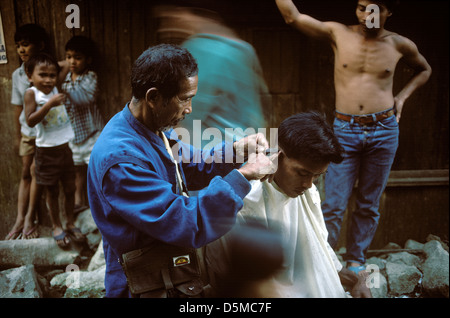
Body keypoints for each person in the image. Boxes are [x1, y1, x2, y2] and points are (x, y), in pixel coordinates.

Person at [87, 44, 276, 298]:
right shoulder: (121, 162)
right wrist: (242, 177)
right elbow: (185, 222)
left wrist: (236, 151)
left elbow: (189, 164)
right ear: (153, 98)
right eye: (184, 98)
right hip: (143, 285)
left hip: (170, 274)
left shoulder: (154, 126)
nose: (189, 109)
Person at [275, 0, 432, 273]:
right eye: (361, 7)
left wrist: (402, 97)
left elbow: (425, 69)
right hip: (345, 129)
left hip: (383, 129)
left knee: (368, 203)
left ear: (389, 11)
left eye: (375, 9)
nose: (366, 15)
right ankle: (323, 260)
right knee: (334, 203)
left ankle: (356, 262)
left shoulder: (399, 44)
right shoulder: (339, 33)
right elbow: (292, 17)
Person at [206, 112, 372, 298]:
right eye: (302, 173)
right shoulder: (243, 203)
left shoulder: (308, 194)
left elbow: (320, 257)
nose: (309, 184)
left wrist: (359, 281)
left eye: (317, 176)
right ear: (277, 156)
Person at [154, 4, 269, 149]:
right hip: (247, 147)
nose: (163, 28)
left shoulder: (201, 49)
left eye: (168, 18)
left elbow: (189, 110)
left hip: (211, 153)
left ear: (190, 13)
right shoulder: (243, 49)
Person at [23, 53, 80, 248]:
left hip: (65, 148)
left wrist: (52, 65)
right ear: (29, 76)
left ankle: (70, 222)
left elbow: (63, 67)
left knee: (70, 188)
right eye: (43, 75)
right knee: (52, 191)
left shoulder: (54, 87)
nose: (48, 79)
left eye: (52, 75)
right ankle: (57, 226)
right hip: (46, 152)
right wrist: (49, 104)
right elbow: (30, 120)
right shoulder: (33, 93)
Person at [6, 24, 49, 240]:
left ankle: (30, 219)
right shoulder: (17, 75)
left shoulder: (48, 70)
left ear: (40, 45)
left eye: (26, 44)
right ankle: (19, 219)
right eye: (18, 46)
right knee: (25, 173)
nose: (21, 50)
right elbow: (17, 108)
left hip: (45, 133)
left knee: (35, 171)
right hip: (27, 132)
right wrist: (16, 136)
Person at [62, 36, 104, 215]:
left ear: (88, 60)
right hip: (73, 136)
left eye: (77, 57)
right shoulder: (64, 78)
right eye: (68, 57)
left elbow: (83, 98)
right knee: (77, 172)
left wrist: (60, 85)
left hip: (91, 135)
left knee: (96, 171)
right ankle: (79, 202)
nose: (72, 61)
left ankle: (102, 204)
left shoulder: (89, 77)